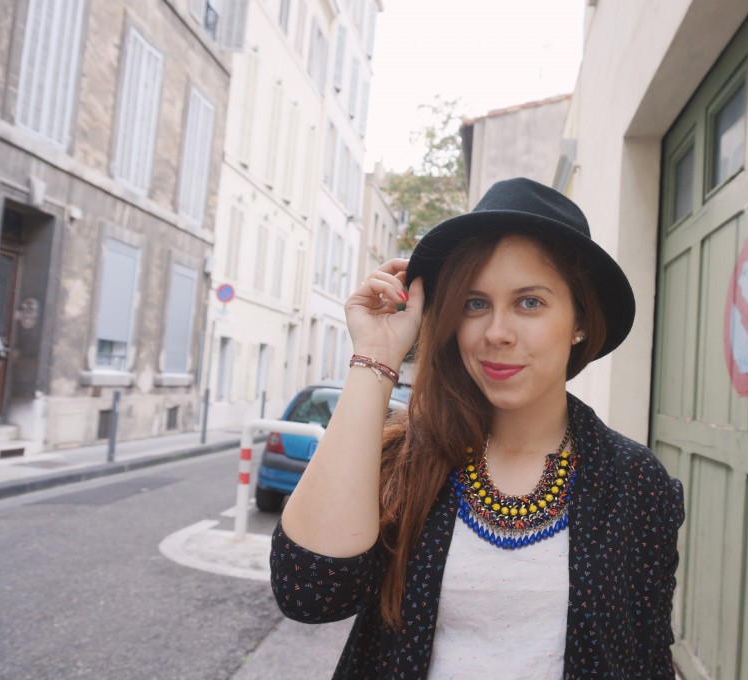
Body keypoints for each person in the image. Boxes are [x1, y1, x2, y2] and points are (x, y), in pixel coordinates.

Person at [271, 177, 685, 678]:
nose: (496, 333)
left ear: (579, 320)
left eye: (529, 302)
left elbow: (648, 659)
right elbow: (309, 593)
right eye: (475, 303)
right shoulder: (406, 460)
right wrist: (375, 356)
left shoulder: (636, 482)